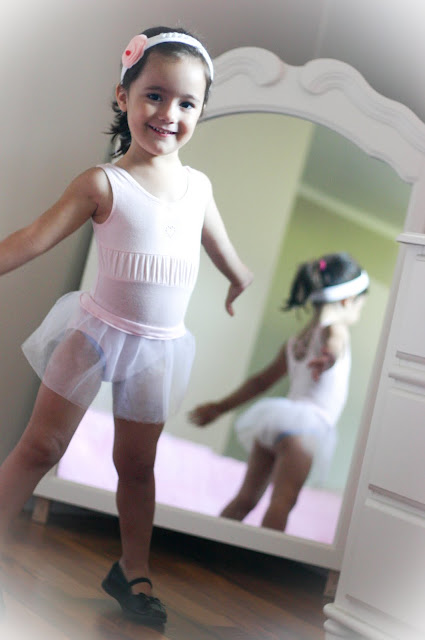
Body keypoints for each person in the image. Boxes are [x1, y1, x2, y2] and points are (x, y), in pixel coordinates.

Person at [0, 26, 253, 624]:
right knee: (41, 446)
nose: (169, 114)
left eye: (186, 103)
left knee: (137, 467)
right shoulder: (103, 182)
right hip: (93, 334)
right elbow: (34, 238)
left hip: (158, 349)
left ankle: (132, 570)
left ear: (201, 111)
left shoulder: (198, 188)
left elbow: (218, 245)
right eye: (154, 96)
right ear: (124, 96)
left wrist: (239, 278)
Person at [190, 252, 368, 532]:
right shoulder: (337, 329)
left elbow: (260, 382)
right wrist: (329, 357)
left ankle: (207, 543)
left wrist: (219, 407)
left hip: (274, 421)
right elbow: (335, 343)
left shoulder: (295, 341)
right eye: (361, 305)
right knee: (282, 502)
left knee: (245, 499)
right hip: (306, 428)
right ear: (348, 300)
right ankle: (259, 558)